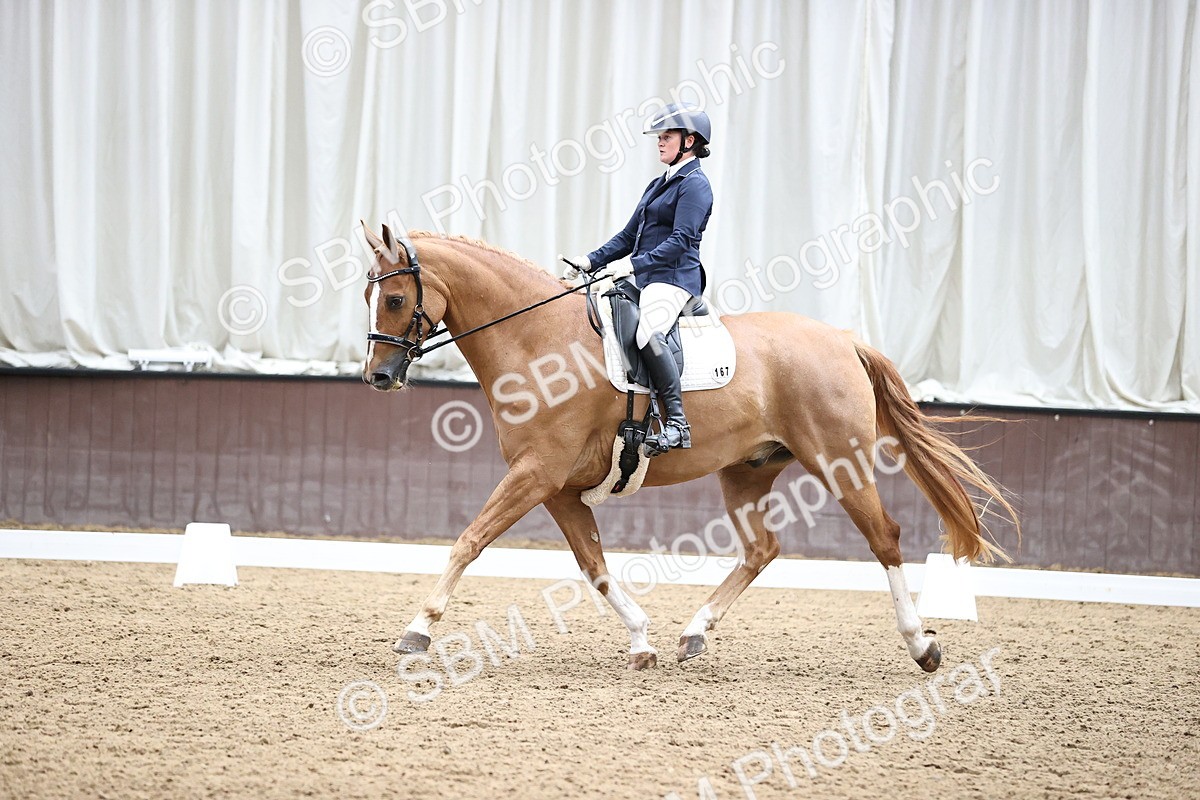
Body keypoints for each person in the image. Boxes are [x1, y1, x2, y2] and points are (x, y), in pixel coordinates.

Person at [563, 103, 713, 456]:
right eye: (659, 137)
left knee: (648, 331)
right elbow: (629, 235)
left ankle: (677, 423)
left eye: (667, 137)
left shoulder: (695, 185)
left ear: (689, 141)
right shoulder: (659, 184)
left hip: (674, 279)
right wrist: (589, 261)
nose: (659, 143)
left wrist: (631, 267)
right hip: (646, 276)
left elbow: (681, 241)